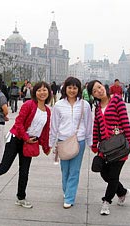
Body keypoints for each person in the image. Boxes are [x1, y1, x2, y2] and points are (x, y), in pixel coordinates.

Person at [0, 82, 52, 209]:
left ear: (49, 92)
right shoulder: (29, 104)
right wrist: (26, 138)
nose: (42, 92)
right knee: (4, 168)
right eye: (39, 90)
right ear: (35, 92)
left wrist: (46, 147)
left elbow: (45, 130)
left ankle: (21, 198)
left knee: (24, 172)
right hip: (16, 139)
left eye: (45, 90)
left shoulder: (48, 111)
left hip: (29, 143)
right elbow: (18, 123)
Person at [87, 80, 130, 216]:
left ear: (104, 86)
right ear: (93, 95)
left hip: (119, 146)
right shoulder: (97, 108)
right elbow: (96, 127)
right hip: (106, 147)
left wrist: (129, 142)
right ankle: (122, 192)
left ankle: (106, 202)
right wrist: (94, 144)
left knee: (113, 176)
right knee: (103, 172)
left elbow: (125, 121)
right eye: (94, 91)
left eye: (99, 87)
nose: (98, 91)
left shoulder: (117, 100)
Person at [50, 77, 93, 209]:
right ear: (65, 88)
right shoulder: (58, 105)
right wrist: (51, 143)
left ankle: (69, 197)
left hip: (79, 141)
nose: (72, 90)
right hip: (63, 141)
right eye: (70, 87)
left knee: (74, 171)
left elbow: (89, 124)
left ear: (79, 89)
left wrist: (90, 142)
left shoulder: (84, 105)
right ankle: (66, 190)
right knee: (65, 170)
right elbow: (54, 125)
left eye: (75, 88)